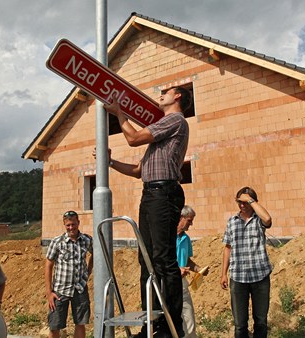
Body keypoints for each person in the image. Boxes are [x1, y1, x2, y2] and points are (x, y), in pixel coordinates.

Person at [103, 86, 191, 338]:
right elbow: (138, 170)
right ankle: (150, 323)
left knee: (164, 259)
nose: (161, 94)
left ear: (178, 97)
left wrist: (119, 113)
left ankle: (172, 326)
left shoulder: (174, 120)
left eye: (167, 91)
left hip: (164, 194)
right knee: (147, 260)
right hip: (151, 193)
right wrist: (109, 162)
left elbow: (132, 138)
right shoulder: (159, 139)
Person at [220, 186, 273, 338]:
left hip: (260, 276)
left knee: (261, 321)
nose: (242, 205)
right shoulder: (232, 222)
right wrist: (223, 273)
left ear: (252, 202)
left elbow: (268, 219)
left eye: (245, 202)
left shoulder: (259, 220)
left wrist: (250, 199)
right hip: (238, 278)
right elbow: (228, 248)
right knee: (240, 324)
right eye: (239, 202)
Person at [45, 210, 93, 338]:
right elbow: (48, 265)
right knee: (55, 326)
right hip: (60, 291)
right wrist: (49, 292)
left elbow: (96, 254)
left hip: (80, 289)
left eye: (73, 224)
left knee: (80, 323)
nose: (71, 227)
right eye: (68, 225)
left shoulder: (87, 240)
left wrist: (88, 272)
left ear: (78, 222)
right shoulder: (57, 242)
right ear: (64, 225)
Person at [176, 205, 208, 338]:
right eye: (189, 220)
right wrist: (176, 270)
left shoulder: (186, 239)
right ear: (181, 218)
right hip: (166, 282)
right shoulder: (165, 238)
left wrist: (198, 269)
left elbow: (187, 260)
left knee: (188, 319)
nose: (191, 224)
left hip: (182, 283)